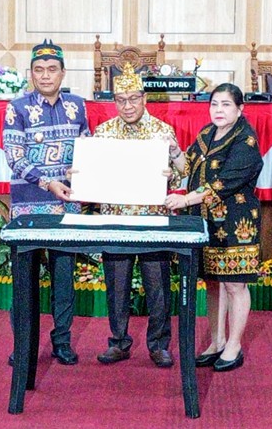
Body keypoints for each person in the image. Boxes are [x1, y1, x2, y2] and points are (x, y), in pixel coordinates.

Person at [89, 63, 183, 368]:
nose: (128, 106)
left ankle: (159, 344)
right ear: (114, 102)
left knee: (157, 286)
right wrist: (81, 175)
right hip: (115, 219)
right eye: (121, 100)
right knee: (117, 285)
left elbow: (182, 177)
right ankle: (118, 342)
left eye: (134, 99)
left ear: (144, 98)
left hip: (152, 220)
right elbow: (93, 179)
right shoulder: (103, 133)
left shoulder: (162, 132)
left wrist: (173, 163)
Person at [164, 83, 263, 372]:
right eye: (214, 104)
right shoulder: (206, 134)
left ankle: (234, 345)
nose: (218, 110)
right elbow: (188, 169)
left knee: (235, 283)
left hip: (235, 221)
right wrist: (174, 152)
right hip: (205, 221)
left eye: (226, 105)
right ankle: (216, 342)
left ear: (240, 108)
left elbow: (223, 183)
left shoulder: (245, 140)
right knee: (212, 281)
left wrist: (185, 200)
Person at [2, 39, 89, 365]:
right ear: (31, 73)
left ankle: (62, 342)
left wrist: (79, 169)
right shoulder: (18, 107)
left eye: (52, 69)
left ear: (63, 73)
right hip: (29, 204)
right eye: (39, 70)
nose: (46, 76)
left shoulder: (77, 106)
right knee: (25, 280)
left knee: (64, 279)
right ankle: (22, 344)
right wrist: (47, 182)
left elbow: (87, 148)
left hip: (66, 205)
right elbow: (14, 156)